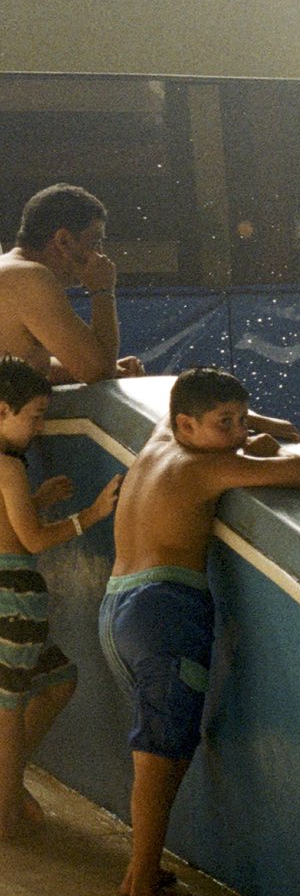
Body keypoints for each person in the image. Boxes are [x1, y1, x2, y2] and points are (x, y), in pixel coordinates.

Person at [101, 367, 300, 896]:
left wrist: (245, 428)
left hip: (121, 606)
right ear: (187, 425)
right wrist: (259, 446)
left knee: (164, 744)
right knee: (159, 753)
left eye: (241, 420)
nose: (238, 433)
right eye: (226, 423)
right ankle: (144, 893)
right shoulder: (205, 465)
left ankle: (138, 872)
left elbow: (212, 423)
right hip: (166, 613)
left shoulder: (159, 442)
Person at [0, 358, 120, 837]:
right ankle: (4, 812)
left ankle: (6, 788)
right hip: (12, 596)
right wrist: (90, 515)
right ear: (1, 409)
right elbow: (29, 542)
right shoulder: (8, 467)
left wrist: (38, 501)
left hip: (10, 596)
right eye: (33, 415)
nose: (40, 425)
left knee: (59, 679)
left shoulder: (9, 469)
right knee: (8, 709)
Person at [1, 184, 146, 384]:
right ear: (63, 241)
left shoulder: (10, 271)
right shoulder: (28, 277)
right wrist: (102, 290)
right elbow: (100, 374)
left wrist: (105, 366)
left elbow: (24, 367)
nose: (100, 255)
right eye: (95, 243)